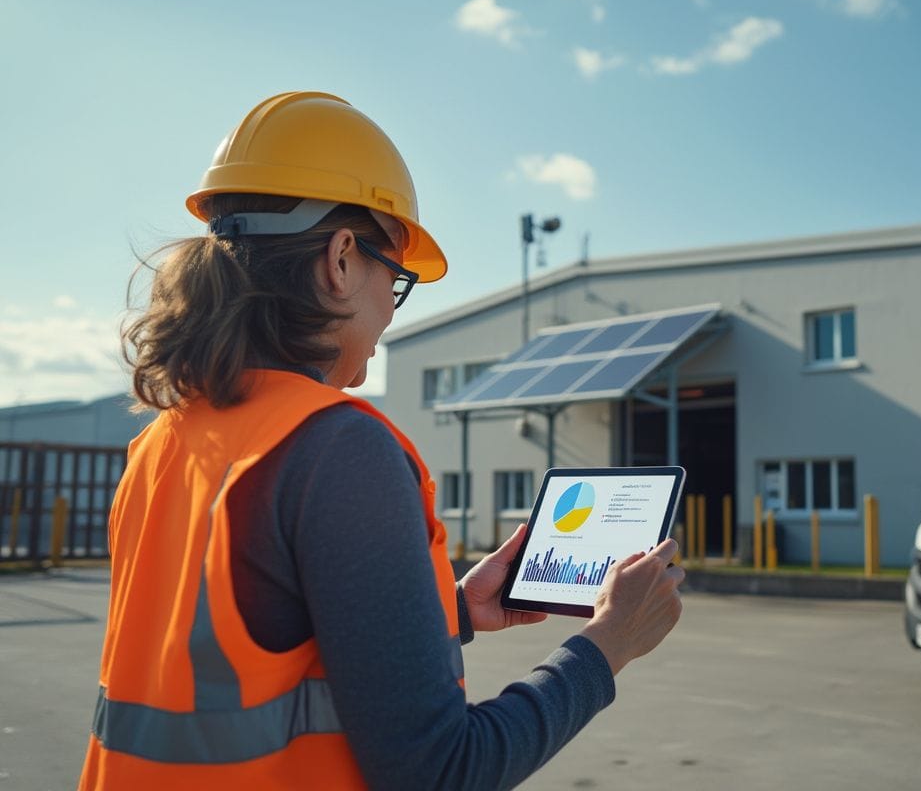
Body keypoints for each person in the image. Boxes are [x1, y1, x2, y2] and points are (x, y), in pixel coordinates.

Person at [79, 91, 685, 790]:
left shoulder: (162, 442)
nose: (390, 316)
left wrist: (451, 610)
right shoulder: (337, 448)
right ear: (341, 259)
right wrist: (608, 644)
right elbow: (440, 769)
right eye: (394, 279)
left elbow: (248, 643)